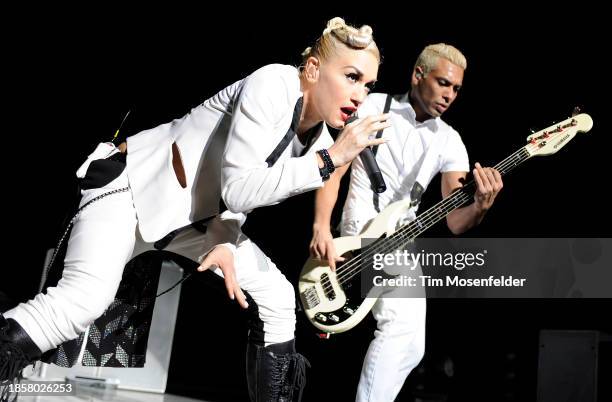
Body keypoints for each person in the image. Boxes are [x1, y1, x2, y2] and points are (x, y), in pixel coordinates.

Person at [2, 17, 389, 401]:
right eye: (351, 77)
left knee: (278, 297)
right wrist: (330, 159)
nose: (359, 95)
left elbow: (243, 191)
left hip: (191, 222)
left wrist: (224, 238)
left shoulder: (317, 139)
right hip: (131, 189)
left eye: (368, 85)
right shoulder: (273, 83)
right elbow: (238, 187)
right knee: (82, 302)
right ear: (313, 68)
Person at [309, 43, 504, 401]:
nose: (449, 95)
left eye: (456, 89)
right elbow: (334, 170)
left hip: (401, 238)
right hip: (362, 227)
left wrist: (481, 205)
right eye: (443, 83)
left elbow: (457, 222)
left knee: (412, 344)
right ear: (418, 75)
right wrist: (322, 226)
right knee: (402, 329)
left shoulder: (450, 141)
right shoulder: (372, 106)